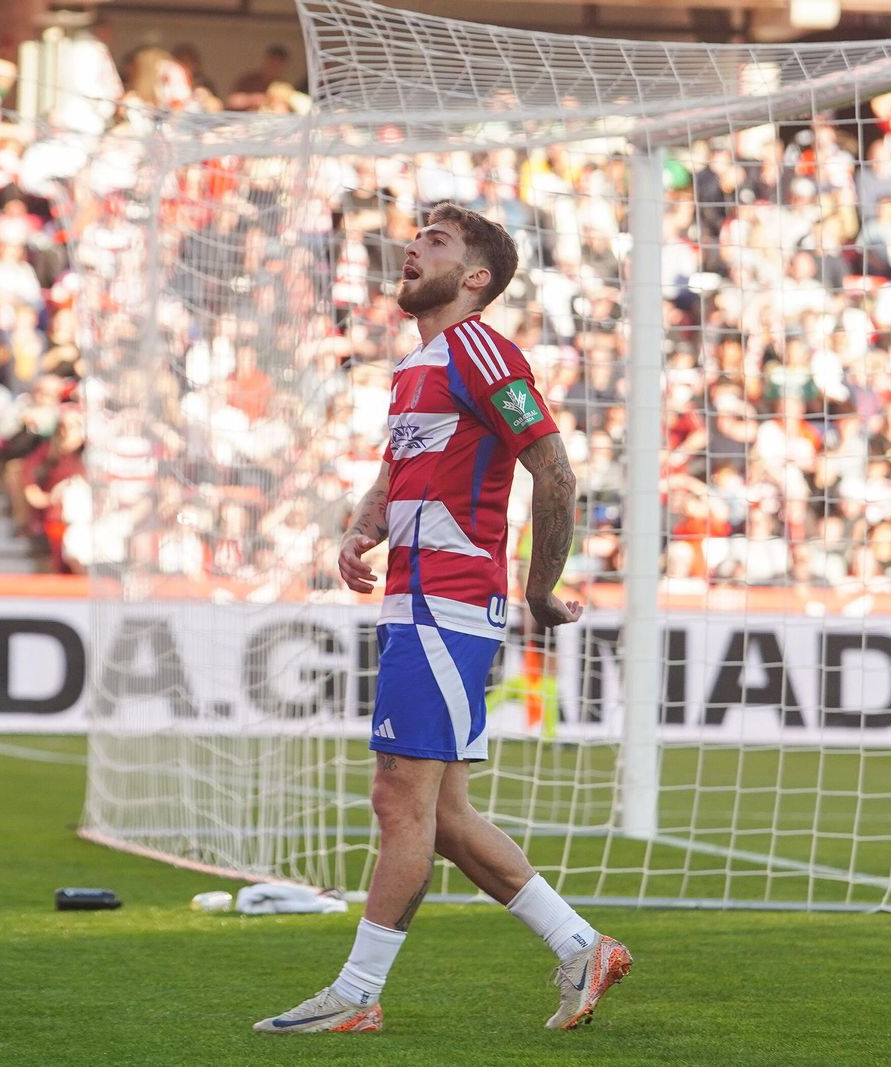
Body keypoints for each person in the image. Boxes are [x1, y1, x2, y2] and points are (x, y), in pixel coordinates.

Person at [254, 202, 631, 1036]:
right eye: (414, 238)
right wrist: (361, 526)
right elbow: (397, 472)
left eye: (435, 242)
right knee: (445, 817)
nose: (409, 249)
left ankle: (356, 994)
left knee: (399, 800)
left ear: (476, 278)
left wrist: (539, 590)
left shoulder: (480, 348)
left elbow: (556, 473)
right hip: (417, 599)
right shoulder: (419, 366)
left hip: (448, 602)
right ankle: (582, 947)